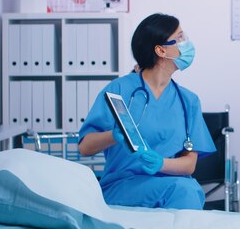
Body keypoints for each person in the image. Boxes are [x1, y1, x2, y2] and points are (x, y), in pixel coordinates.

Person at [78, 13, 216, 209]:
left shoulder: (188, 101)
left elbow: (189, 164)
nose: (186, 44)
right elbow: (85, 147)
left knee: (189, 189)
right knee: (186, 191)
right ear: (160, 50)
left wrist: (161, 163)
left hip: (172, 185)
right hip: (122, 186)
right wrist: (115, 136)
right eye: (180, 38)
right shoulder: (120, 90)